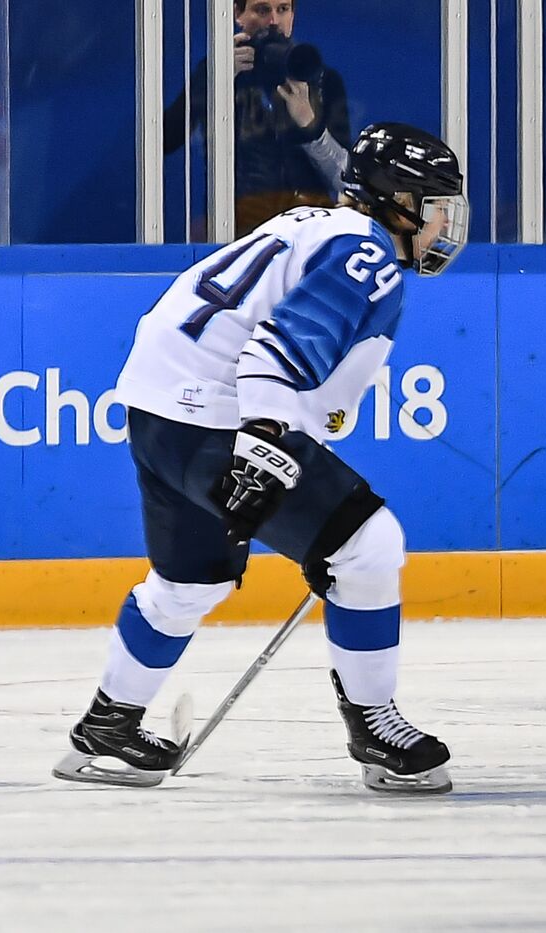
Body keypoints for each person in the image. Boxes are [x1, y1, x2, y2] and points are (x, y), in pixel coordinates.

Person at [52, 122, 470, 793]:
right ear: (397, 202)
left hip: (161, 415)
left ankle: (108, 726)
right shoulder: (367, 254)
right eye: (434, 204)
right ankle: (374, 724)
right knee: (368, 546)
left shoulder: (312, 223)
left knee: (191, 582)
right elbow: (277, 349)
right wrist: (264, 444)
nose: (443, 223)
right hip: (223, 417)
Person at [165, 0, 351, 236]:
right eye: (262, 10)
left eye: (282, 9)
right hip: (240, 233)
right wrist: (216, 80)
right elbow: (166, 141)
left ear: (293, 16)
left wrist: (311, 128)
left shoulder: (321, 78)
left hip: (309, 235)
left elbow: (346, 180)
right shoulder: (213, 74)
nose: (273, 22)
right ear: (237, 14)